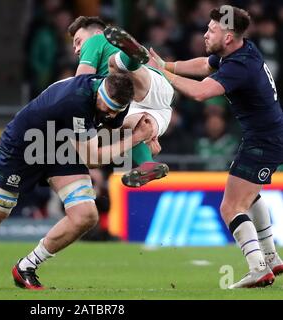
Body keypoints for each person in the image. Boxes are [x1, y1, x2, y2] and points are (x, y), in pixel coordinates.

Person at [109, 6, 283, 288]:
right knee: (250, 196)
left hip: (264, 141)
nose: (204, 34)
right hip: (266, 136)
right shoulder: (241, 49)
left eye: (211, 30)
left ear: (228, 38)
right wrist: (165, 65)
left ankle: (258, 268)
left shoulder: (240, 65)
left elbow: (202, 92)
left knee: (231, 207)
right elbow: (204, 65)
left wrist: (161, 75)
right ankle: (271, 258)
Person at [0, 72, 149, 290]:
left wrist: (147, 130)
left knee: (86, 216)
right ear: (101, 91)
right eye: (108, 107)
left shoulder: (117, 98)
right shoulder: (76, 102)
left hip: (60, 146)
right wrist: (137, 137)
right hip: (22, 147)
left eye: (116, 111)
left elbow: (112, 127)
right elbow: (92, 158)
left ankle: (26, 267)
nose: (110, 114)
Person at [67, 16, 172, 187]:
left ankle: (132, 57)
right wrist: (146, 138)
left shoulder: (96, 41)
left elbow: (80, 84)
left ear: (98, 33)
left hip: (145, 84)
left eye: (78, 42)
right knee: (123, 129)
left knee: (114, 67)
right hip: (157, 107)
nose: (77, 50)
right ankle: (148, 163)